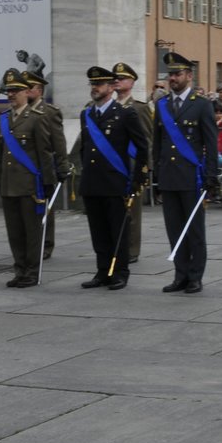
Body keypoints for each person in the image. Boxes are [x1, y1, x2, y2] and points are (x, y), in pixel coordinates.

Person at [73, 66, 150, 290]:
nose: (94, 88)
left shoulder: (125, 113)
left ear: (110, 87)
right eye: (92, 84)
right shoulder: (86, 114)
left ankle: (120, 272)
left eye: (99, 84)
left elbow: (142, 147)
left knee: (118, 230)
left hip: (115, 182)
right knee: (98, 231)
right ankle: (102, 271)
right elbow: (84, 149)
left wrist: (138, 178)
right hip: (92, 182)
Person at [154, 50, 220, 294]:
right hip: (169, 176)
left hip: (192, 177)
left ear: (189, 76)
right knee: (174, 229)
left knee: (194, 230)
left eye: (177, 74)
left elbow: (211, 143)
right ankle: (180, 274)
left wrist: (211, 176)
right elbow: (158, 142)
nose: (173, 78)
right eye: (170, 74)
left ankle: (195, 276)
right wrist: (156, 175)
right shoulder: (161, 105)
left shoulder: (201, 105)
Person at [0, 68, 61, 288]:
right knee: (14, 232)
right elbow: (0, 154)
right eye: (9, 91)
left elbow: (45, 154)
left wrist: (48, 183)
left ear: (26, 92)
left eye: (16, 90)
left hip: (30, 186)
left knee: (32, 232)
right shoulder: (3, 119)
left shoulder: (36, 119)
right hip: (9, 186)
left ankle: (32, 272)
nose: (11, 94)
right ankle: (19, 270)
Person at [111, 63, 153, 265]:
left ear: (132, 82)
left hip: (132, 166)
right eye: (115, 79)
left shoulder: (140, 108)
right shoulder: (109, 108)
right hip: (113, 167)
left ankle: (132, 250)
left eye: (121, 78)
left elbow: (146, 140)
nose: (116, 81)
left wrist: (144, 169)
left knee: (132, 212)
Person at [23, 70, 66, 262]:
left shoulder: (50, 112)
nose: (25, 91)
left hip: (44, 168)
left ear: (39, 90)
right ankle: (30, 242)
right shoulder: (21, 112)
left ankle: (46, 244)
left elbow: (58, 142)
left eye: (28, 88)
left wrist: (62, 167)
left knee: (45, 208)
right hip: (26, 169)